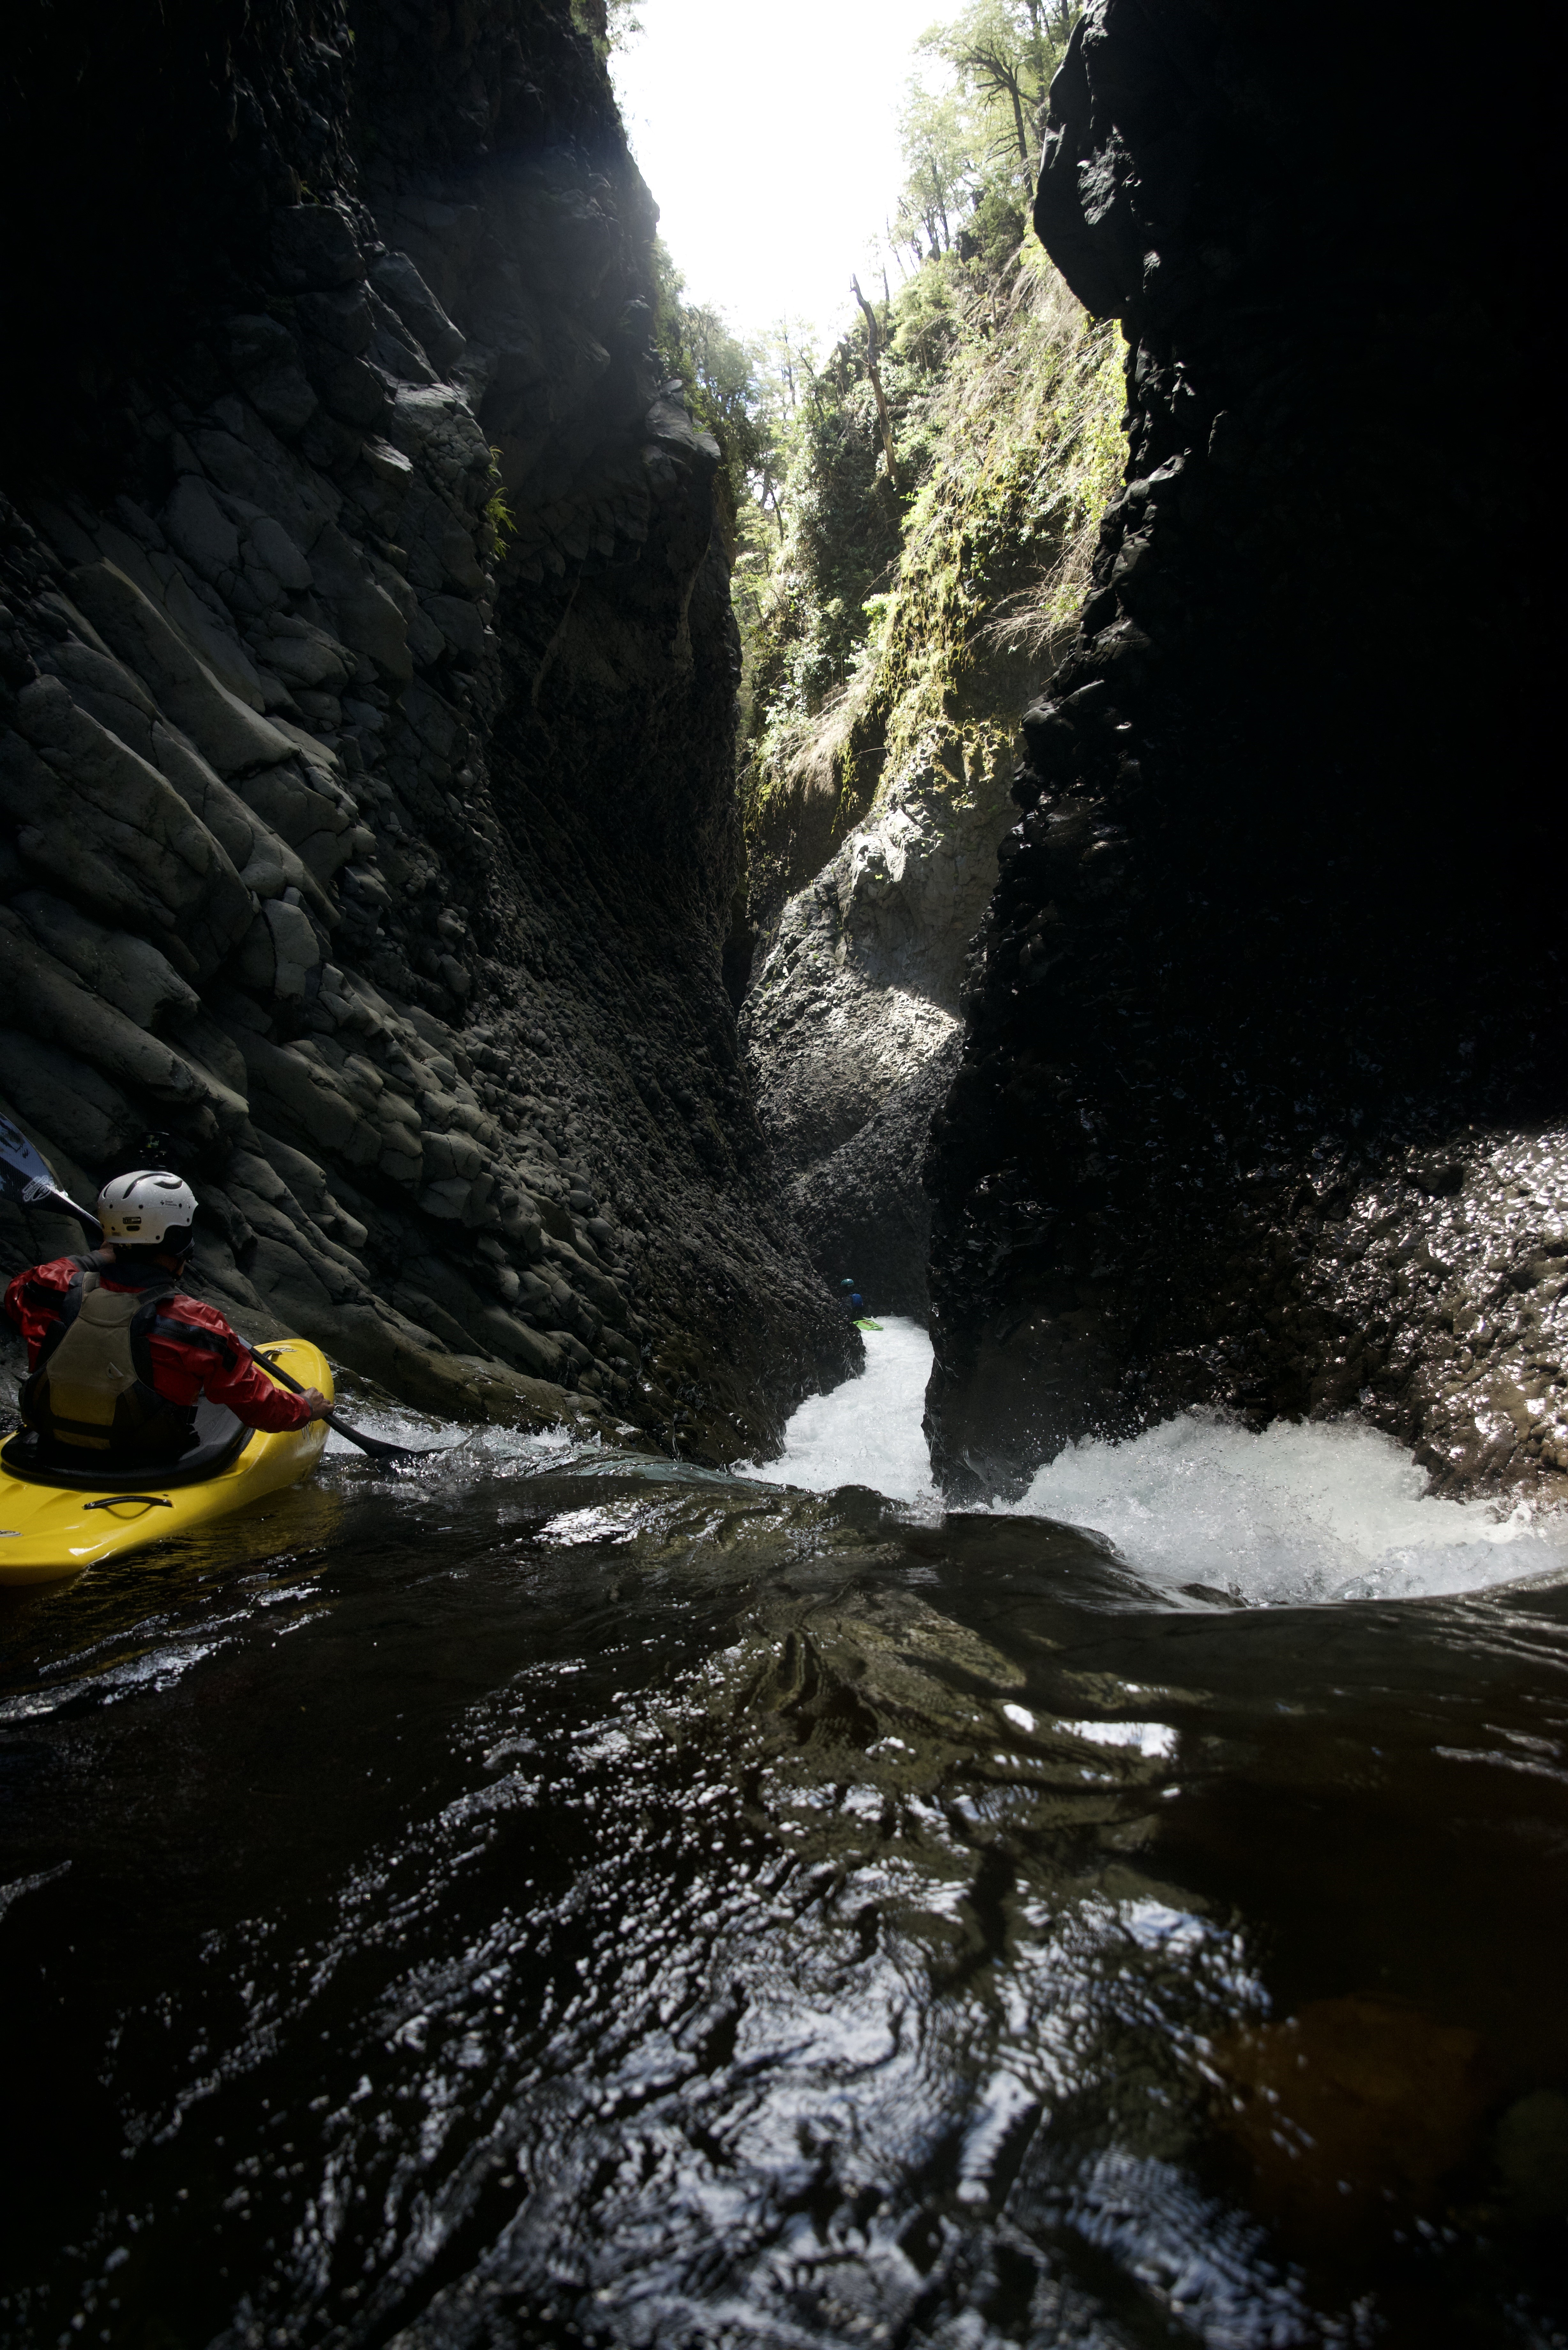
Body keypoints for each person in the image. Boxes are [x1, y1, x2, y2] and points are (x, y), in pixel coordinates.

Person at [4, 1167, 330, 1465]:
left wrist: (99, 1256)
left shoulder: (47, 1289)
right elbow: (260, 1409)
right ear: (179, 1240)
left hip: (52, 1443)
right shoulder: (198, 1324)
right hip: (142, 1460)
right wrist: (304, 1408)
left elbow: (19, 1288)